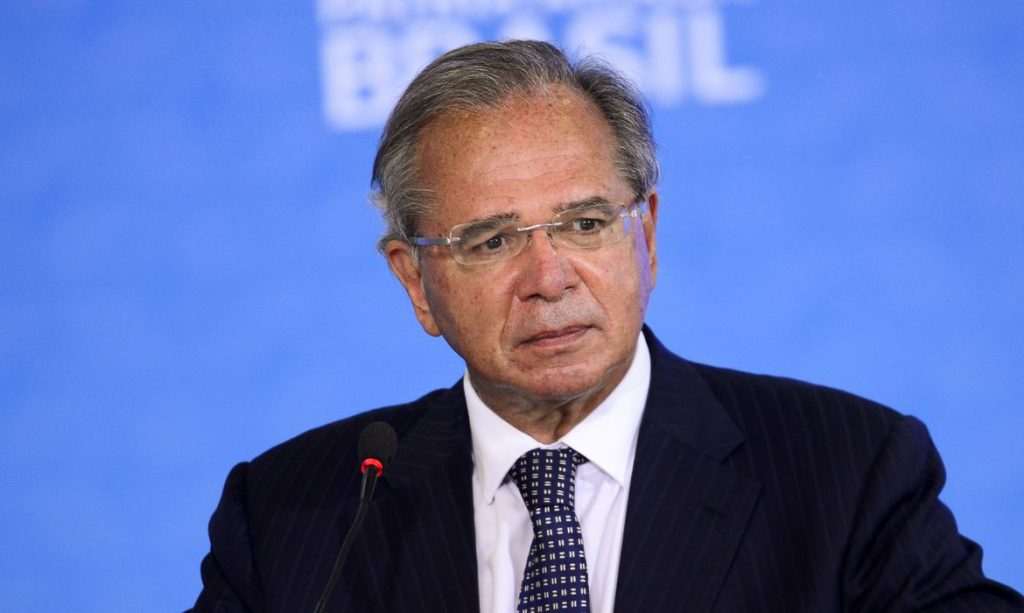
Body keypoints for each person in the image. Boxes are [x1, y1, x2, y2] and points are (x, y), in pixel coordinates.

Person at [190, 40, 1023, 612]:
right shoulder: (297, 514)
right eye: (492, 241)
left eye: (586, 224)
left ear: (646, 235)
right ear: (415, 279)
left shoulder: (846, 473)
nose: (549, 278)